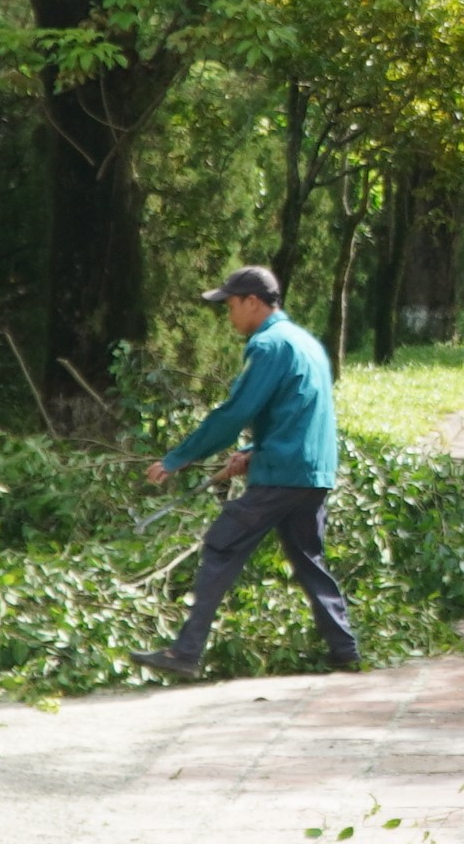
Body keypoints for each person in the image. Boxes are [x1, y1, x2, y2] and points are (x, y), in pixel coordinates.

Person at [131, 267, 356, 680]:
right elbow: (299, 409)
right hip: (312, 471)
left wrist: (177, 458)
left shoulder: (268, 345)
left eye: (231, 305)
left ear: (253, 301)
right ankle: (345, 649)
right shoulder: (306, 343)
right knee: (307, 557)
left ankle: (185, 652)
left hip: (282, 473)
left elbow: (235, 412)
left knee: (221, 546)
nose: (229, 315)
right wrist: (254, 450)